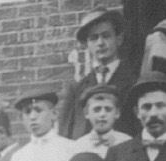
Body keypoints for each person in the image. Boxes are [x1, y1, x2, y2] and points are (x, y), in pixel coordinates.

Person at [59, 9, 137, 139]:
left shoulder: (135, 82)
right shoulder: (76, 90)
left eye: (106, 36)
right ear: (87, 45)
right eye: (93, 38)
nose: (100, 43)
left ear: (119, 39)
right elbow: (65, 137)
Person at [74, 81, 131, 157]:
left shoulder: (127, 142)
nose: (102, 114)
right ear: (86, 113)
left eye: (108, 109)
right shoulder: (78, 145)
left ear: (117, 113)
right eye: (97, 109)